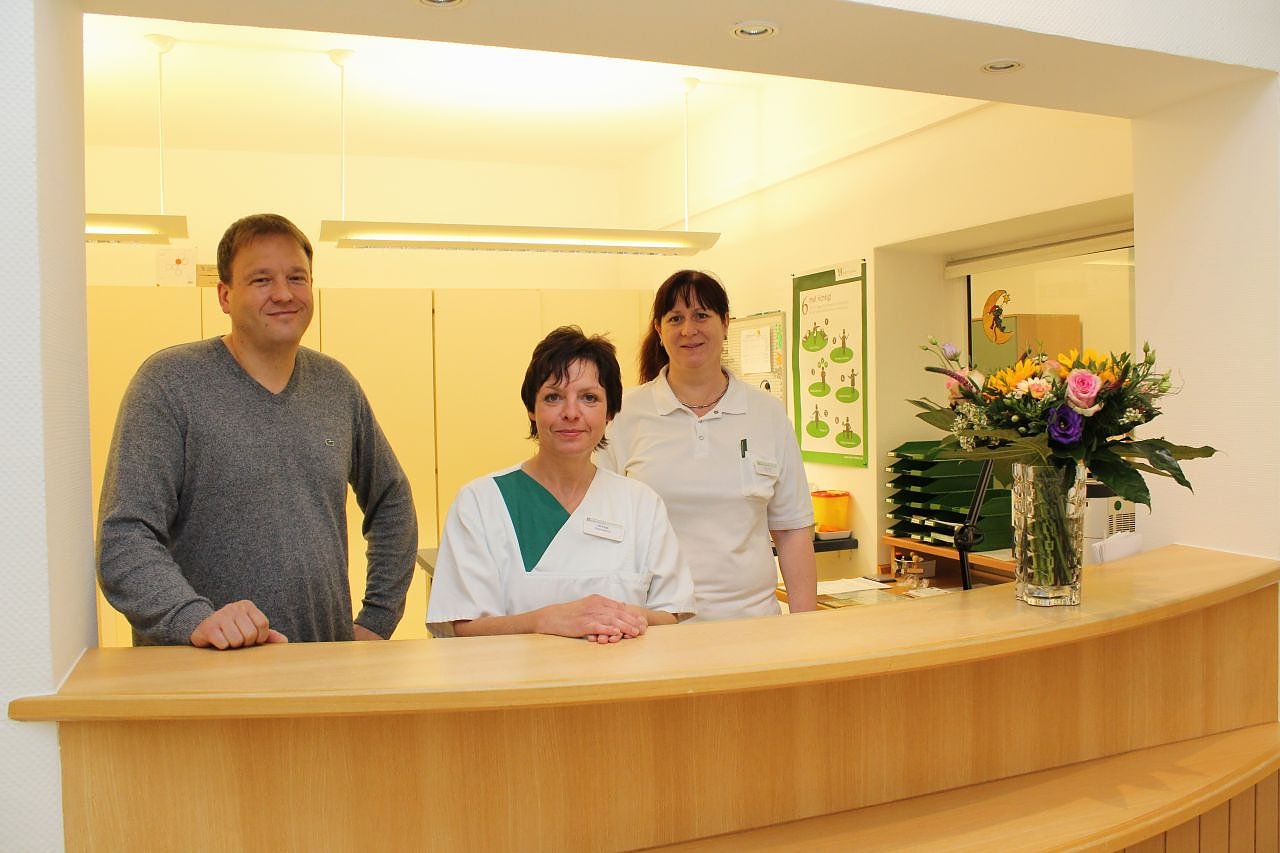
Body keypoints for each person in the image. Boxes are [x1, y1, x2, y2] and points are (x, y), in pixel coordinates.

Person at [97, 213, 418, 650]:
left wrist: (378, 617)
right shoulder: (169, 384)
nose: (284, 293)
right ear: (225, 296)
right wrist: (194, 619)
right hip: (204, 672)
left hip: (322, 667)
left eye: (297, 278)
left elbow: (392, 500)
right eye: (262, 280)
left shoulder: (336, 385)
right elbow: (125, 538)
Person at [427, 326, 695, 642]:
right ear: (531, 409)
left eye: (589, 398)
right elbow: (464, 626)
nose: (571, 413)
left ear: (610, 412)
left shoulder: (641, 504)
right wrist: (546, 620)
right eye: (553, 397)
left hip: (622, 673)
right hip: (517, 675)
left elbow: (670, 613)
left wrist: (620, 617)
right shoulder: (480, 502)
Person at [598, 270, 817, 619]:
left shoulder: (767, 414)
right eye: (675, 318)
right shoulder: (622, 413)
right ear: (659, 330)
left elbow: (791, 530)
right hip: (654, 624)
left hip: (754, 624)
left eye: (701, 315)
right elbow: (600, 525)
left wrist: (807, 626)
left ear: (726, 322)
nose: (689, 330)